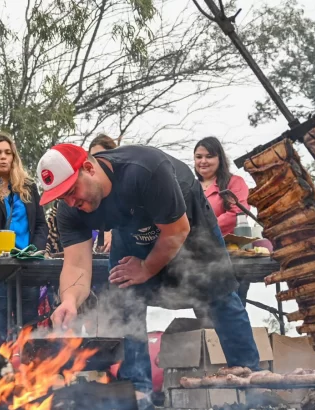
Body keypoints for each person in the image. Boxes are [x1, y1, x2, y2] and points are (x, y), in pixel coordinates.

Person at [37, 144, 260, 408]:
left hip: (186, 222)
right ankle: (138, 395)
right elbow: (76, 265)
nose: (71, 202)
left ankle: (253, 387)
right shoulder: (70, 210)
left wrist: (146, 268)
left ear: (89, 168)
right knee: (123, 295)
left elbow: (177, 231)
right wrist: (70, 301)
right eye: (63, 197)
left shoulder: (145, 170)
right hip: (131, 231)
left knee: (220, 294)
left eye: (72, 191)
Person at [0, 133, 48, 346]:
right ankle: (0, 373)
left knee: (29, 325)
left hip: (27, 266)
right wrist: (10, 248)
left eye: (7, 152)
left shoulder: (28, 187)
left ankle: (31, 374)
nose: (3, 157)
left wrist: (33, 250)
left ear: (14, 157)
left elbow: (41, 224)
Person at [193, 137, 252, 305]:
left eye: (209, 156)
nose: (203, 161)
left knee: (230, 307)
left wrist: (202, 232)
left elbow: (237, 213)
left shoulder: (234, 182)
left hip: (230, 256)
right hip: (196, 258)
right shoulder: (190, 186)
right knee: (203, 311)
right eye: (198, 157)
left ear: (220, 158)